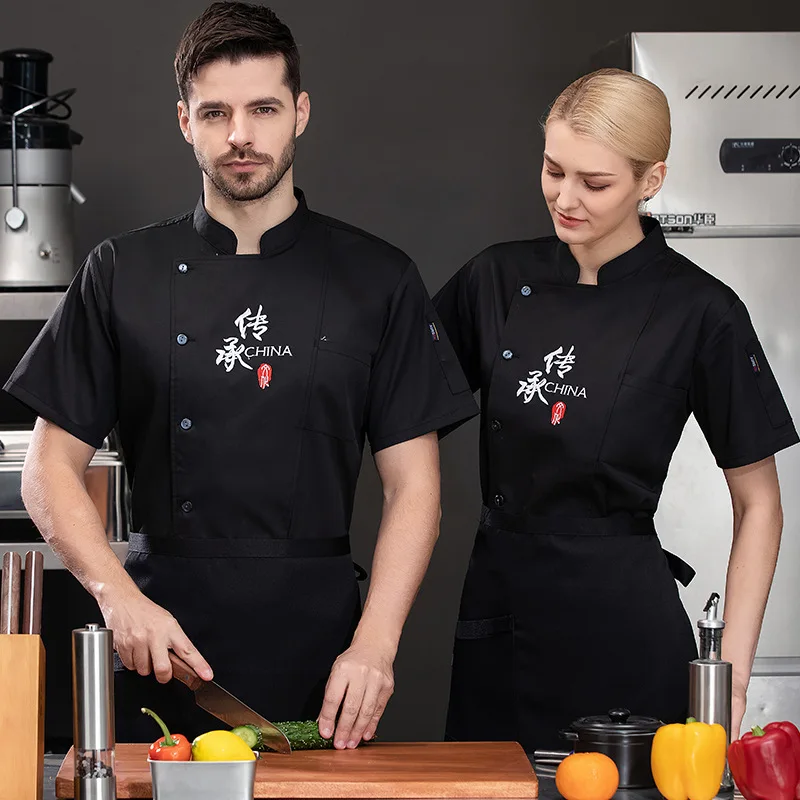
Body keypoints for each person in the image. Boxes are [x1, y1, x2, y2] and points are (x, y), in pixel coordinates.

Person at [4, 1, 477, 746]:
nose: (240, 136)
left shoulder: (377, 278)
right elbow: (48, 469)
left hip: (324, 661)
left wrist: (376, 645)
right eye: (215, 112)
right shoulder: (122, 272)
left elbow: (415, 488)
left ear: (300, 113)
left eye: (263, 109)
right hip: (161, 648)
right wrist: (118, 599)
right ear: (185, 121)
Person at [433, 68, 797, 753]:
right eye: (553, 171)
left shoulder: (701, 310)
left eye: (594, 183)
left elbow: (761, 506)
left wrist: (731, 678)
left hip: (627, 633)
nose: (565, 198)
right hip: (502, 619)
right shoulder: (495, 279)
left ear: (650, 180)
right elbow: (396, 407)